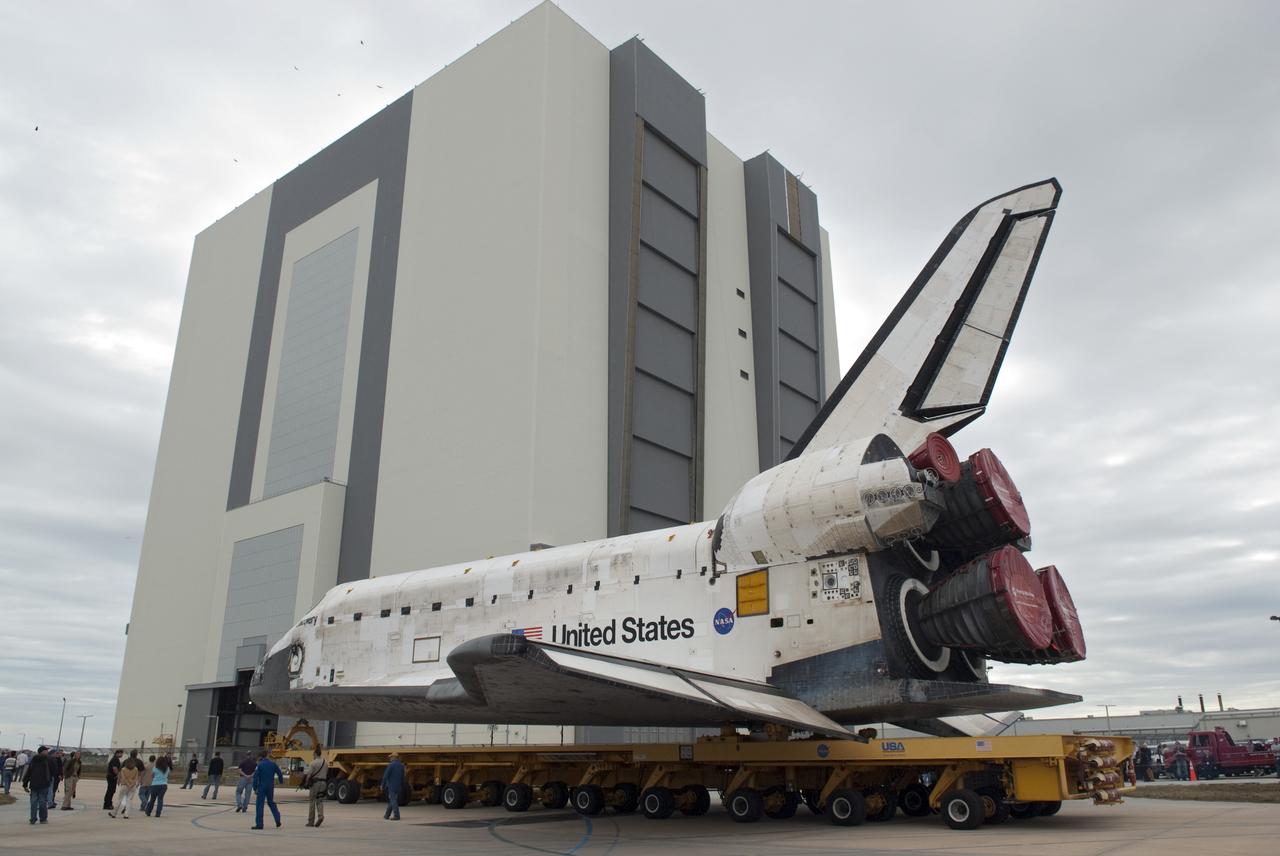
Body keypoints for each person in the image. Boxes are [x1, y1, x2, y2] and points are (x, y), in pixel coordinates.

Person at [21, 746, 55, 825]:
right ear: (42, 751)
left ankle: (33, 819)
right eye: (46, 750)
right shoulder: (49, 760)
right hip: (44, 784)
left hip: (34, 784)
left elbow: (28, 772)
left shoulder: (33, 760)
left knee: (33, 802)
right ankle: (43, 819)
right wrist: (49, 779)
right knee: (42, 802)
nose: (47, 752)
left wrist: (25, 784)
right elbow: (54, 770)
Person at [251, 750, 284, 830]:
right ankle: (277, 819)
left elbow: (255, 777)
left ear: (261, 757)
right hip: (270, 786)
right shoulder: (273, 764)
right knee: (271, 802)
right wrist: (281, 781)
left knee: (260, 805)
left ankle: (259, 824)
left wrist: (255, 788)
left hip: (262, 786)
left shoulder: (259, 765)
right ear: (267, 755)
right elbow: (279, 773)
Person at [110, 750, 144, 818]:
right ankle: (126, 814)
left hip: (124, 785)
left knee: (119, 799)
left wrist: (123, 782)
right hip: (133, 786)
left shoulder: (123, 769)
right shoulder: (135, 769)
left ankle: (114, 813)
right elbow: (136, 777)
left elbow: (124, 778)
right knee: (129, 800)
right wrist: (133, 784)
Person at [302, 748, 327, 828]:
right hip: (323, 783)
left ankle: (311, 821)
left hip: (315, 783)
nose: (313, 756)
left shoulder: (313, 763)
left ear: (315, 754)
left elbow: (309, 774)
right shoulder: (325, 762)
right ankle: (321, 816)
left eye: (313, 754)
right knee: (319, 801)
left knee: (312, 801)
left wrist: (306, 783)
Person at [381, 752, 406, 821]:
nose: (390, 758)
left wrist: (382, 785)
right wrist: (402, 786)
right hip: (398, 786)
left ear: (394, 757)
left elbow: (385, 776)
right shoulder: (401, 766)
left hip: (391, 786)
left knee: (393, 800)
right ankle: (387, 815)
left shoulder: (391, 765)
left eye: (391, 757)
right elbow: (403, 777)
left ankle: (397, 815)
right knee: (392, 800)